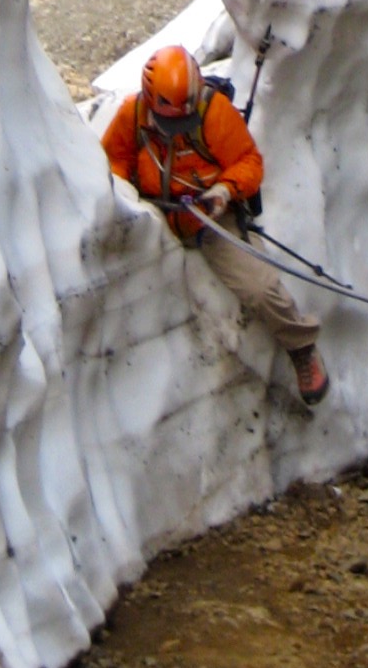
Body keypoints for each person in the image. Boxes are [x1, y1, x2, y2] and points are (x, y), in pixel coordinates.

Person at [102, 43, 329, 407]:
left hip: (207, 219)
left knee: (258, 287)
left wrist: (224, 191)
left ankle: (301, 347)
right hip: (152, 214)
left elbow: (248, 163)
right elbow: (112, 160)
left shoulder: (213, 112)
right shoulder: (132, 116)